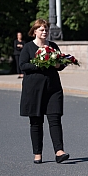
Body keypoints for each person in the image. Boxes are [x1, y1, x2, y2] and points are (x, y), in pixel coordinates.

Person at [19, 19, 70, 164]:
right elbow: (22, 65)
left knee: (55, 118)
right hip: (33, 90)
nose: (44, 32)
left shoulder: (53, 46)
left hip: (53, 88)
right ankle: (37, 153)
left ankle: (59, 151)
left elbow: (60, 65)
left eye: (46, 29)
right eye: (41, 29)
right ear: (34, 31)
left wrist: (59, 64)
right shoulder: (28, 47)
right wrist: (39, 64)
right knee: (36, 121)